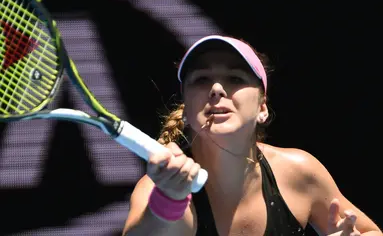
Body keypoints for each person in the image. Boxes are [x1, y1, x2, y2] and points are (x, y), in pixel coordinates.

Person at [122, 35, 381, 236]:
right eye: (201, 79)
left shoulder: (299, 172)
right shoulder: (158, 190)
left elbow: (371, 231)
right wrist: (169, 200)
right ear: (186, 110)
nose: (216, 89)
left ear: (262, 107)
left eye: (235, 78)